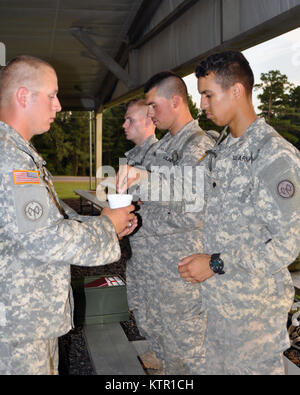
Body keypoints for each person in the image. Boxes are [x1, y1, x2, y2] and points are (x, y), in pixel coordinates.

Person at [0, 55, 137, 375]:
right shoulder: (11, 159)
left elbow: (51, 219)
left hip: (21, 318)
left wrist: (107, 223)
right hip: (17, 327)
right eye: (51, 95)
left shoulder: (17, 154)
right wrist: (106, 226)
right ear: (23, 96)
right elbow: (45, 238)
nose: (58, 105)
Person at [178, 51, 300, 375]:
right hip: (218, 308)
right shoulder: (224, 147)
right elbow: (196, 189)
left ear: (236, 91)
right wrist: (141, 181)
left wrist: (216, 263)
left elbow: (287, 244)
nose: (202, 104)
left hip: (253, 319)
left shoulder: (274, 156)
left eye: (207, 95)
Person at [117, 71, 215, 374]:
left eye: (153, 106)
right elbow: (158, 199)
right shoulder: (163, 148)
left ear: (175, 101)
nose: (149, 113)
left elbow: (195, 204)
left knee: (187, 351)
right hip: (153, 263)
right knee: (162, 339)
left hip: (179, 265)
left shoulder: (199, 145)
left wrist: (144, 188)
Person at [123, 99, 157, 167]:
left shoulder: (158, 155)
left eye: (131, 120)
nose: (124, 125)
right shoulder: (134, 154)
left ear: (148, 121)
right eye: (125, 120)